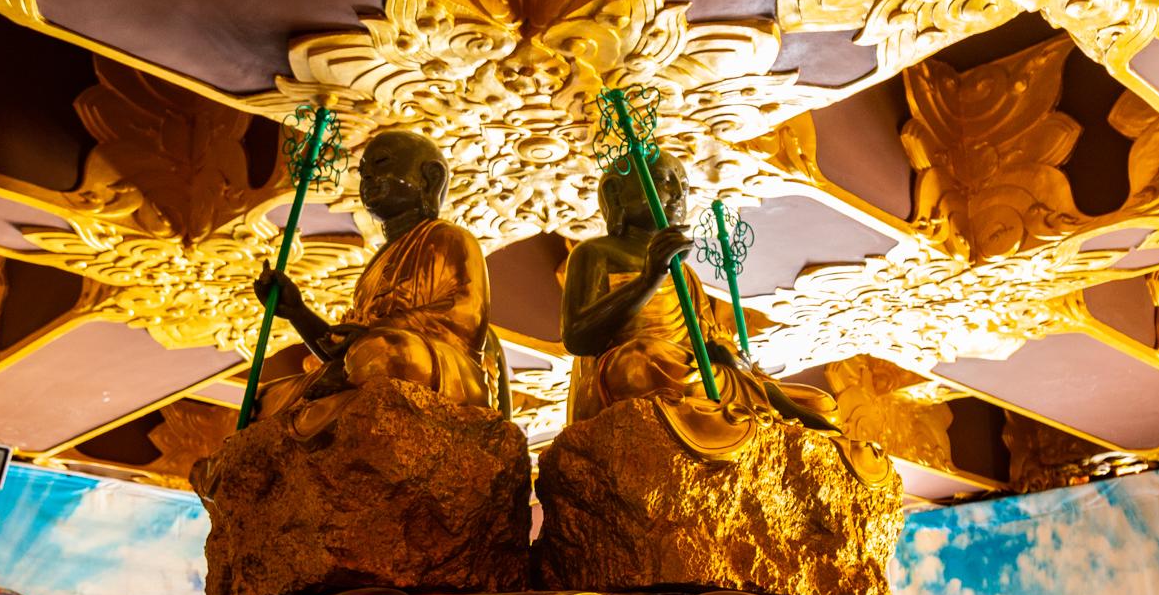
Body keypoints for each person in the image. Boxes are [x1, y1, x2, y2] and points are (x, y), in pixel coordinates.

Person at [559, 150, 887, 481]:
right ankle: (754, 411)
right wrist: (649, 278)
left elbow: (706, 335)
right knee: (641, 359)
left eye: (683, 186)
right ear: (615, 193)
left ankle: (761, 405)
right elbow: (578, 337)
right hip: (645, 367)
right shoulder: (595, 253)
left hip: (697, 374)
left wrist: (730, 357)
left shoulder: (686, 274)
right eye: (662, 181)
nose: (677, 194)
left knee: (821, 403)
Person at [251, 130, 501, 434]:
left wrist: (372, 333)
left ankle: (334, 406)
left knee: (384, 352)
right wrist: (297, 311)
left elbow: (466, 320)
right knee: (263, 400)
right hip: (365, 363)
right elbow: (342, 349)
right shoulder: (371, 272)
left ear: (430, 178)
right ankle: (335, 406)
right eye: (363, 172)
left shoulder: (450, 238)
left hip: (437, 367)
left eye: (381, 163)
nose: (368, 177)